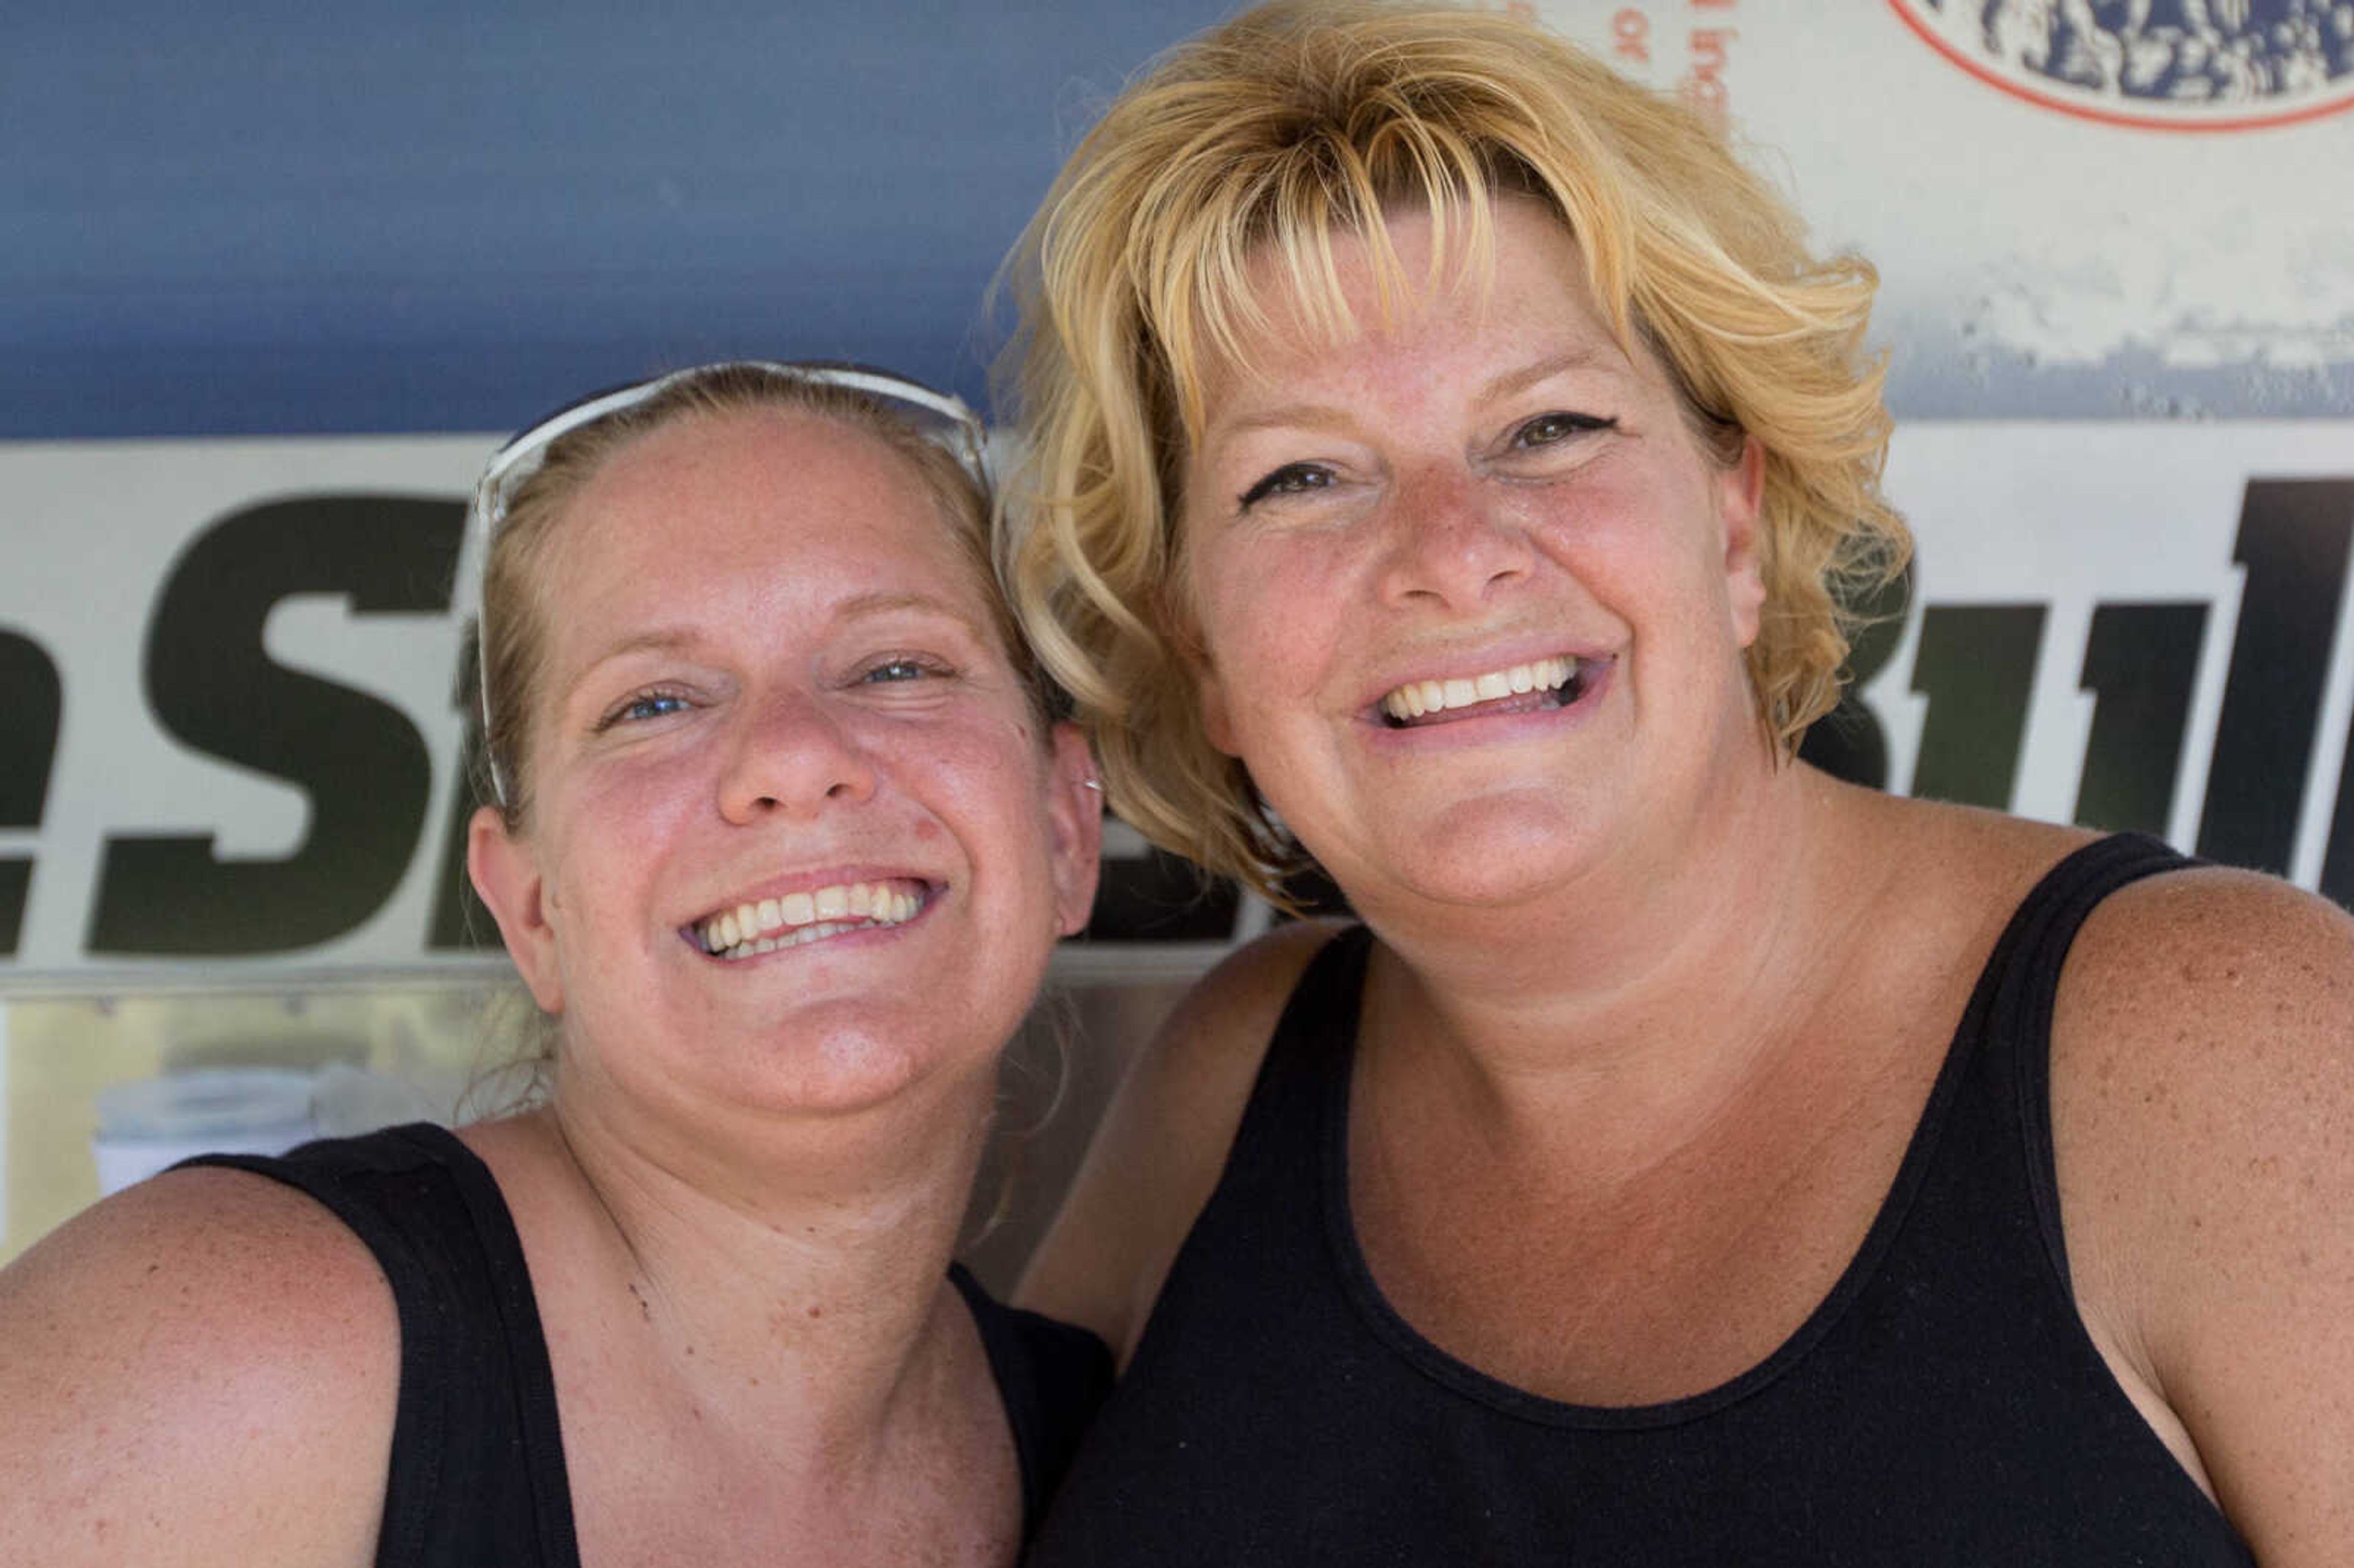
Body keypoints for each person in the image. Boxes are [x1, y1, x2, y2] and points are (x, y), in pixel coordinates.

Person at [995, 4, 2353, 1562]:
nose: (1449, 550)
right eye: (1300, 475)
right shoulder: (1230, 1084)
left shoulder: (2227, 1044)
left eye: (1549, 427)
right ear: (1205, 647)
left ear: (1730, 520)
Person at [0, 362, 1109, 1567]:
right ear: (531, 909)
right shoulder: (230, 1349)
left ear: (1063, 828)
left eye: (898, 667)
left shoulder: (1113, 1448)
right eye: (655, 703)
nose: (793, 755)